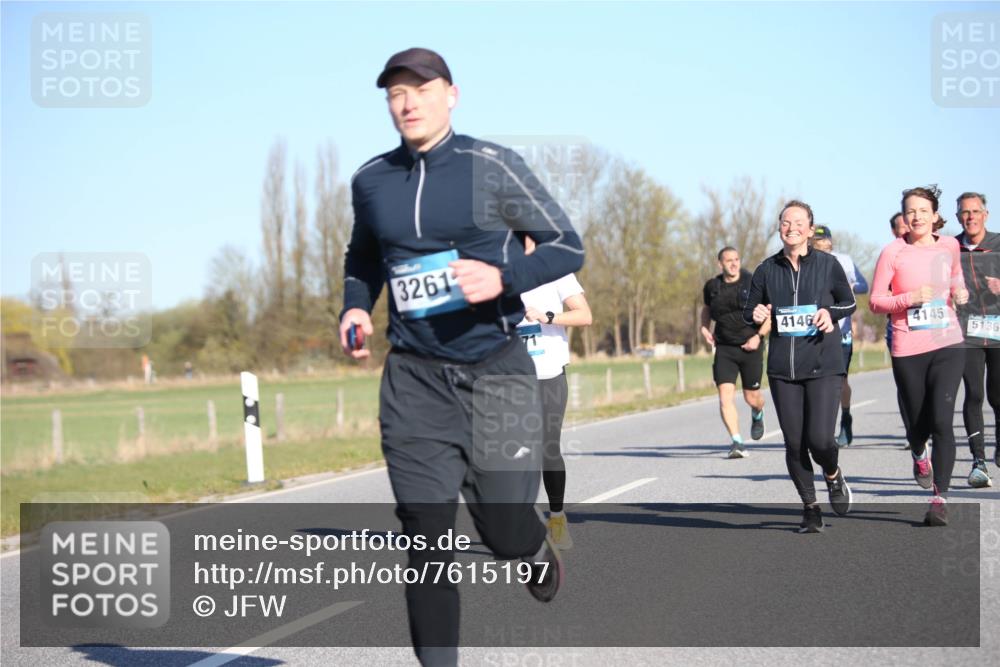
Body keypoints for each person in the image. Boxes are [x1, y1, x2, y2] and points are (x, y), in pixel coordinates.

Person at [339, 48, 584, 667]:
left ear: (451, 94)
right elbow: (364, 258)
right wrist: (356, 306)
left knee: (502, 529)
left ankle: (532, 551)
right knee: (426, 539)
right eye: (394, 91)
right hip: (414, 381)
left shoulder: (491, 166)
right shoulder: (371, 180)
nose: (406, 101)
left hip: (496, 371)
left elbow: (565, 245)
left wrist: (502, 278)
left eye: (420, 88)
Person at [743, 200, 856, 534]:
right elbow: (750, 310)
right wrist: (756, 315)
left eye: (798, 222)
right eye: (784, 222)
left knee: (820, 439)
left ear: (809, 228)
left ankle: (833, 477)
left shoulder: (827, 264)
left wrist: (830, 313)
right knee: (794, 443)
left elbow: (848, 301)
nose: (791, 227)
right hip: (783, 369)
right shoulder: (766, 269)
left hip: (824, 363)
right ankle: (810, 508)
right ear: (779, 227)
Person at [870, 185, 969, 526]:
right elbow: (876, 301)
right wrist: (909, 298)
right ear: (904, 216)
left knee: (942, 420)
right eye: (911, 211)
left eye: (923, 210)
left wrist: (959, 289)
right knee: (917, 424)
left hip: (948, 342)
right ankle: (917, 451)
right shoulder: (892, 252)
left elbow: (954, 274)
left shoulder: (950, 245)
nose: (916, 216)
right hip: (907, 346)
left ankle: (939, 498)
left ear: (935, 214)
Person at [517, 236, 592, 549]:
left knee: (547, 447)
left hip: (548, 372)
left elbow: (584, 315)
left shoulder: (556, 269)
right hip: (509, 374)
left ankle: (557, 517)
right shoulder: (496, 269)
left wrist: (548, 317)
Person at [700, 246, 770, 459]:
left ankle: (758, 412)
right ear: (720, 263)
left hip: (751, 347)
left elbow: (769, 313)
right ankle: (737, 441)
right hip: (725, 348)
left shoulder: (752, 282)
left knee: (752, 397)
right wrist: (704, 328)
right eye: (728, 260)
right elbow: (706, 309)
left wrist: (758, 337)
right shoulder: (712, 286)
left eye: (736, 259)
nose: (733, 263)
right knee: (724, 398)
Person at [954, 191, 999, 487]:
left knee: (997, 395)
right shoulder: (950, 247)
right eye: (964, 213)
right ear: (959, 217)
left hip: (998, 330)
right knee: (973, 394)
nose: (970, 217)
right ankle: (978, 461)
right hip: (967, 331)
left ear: (985, 214)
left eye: (975, 211)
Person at [810, 226, 869, 446]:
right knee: (817, 379)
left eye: (824, 242)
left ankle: (845, 418)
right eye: (817, 242)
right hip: (813, 329)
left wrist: (852, 286)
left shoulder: (844, 261)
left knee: (839, 379)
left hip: (840, 329)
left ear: (831, 243)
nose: (821, 246)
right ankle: (822, 429)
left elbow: (864, 285)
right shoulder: (805, 262)